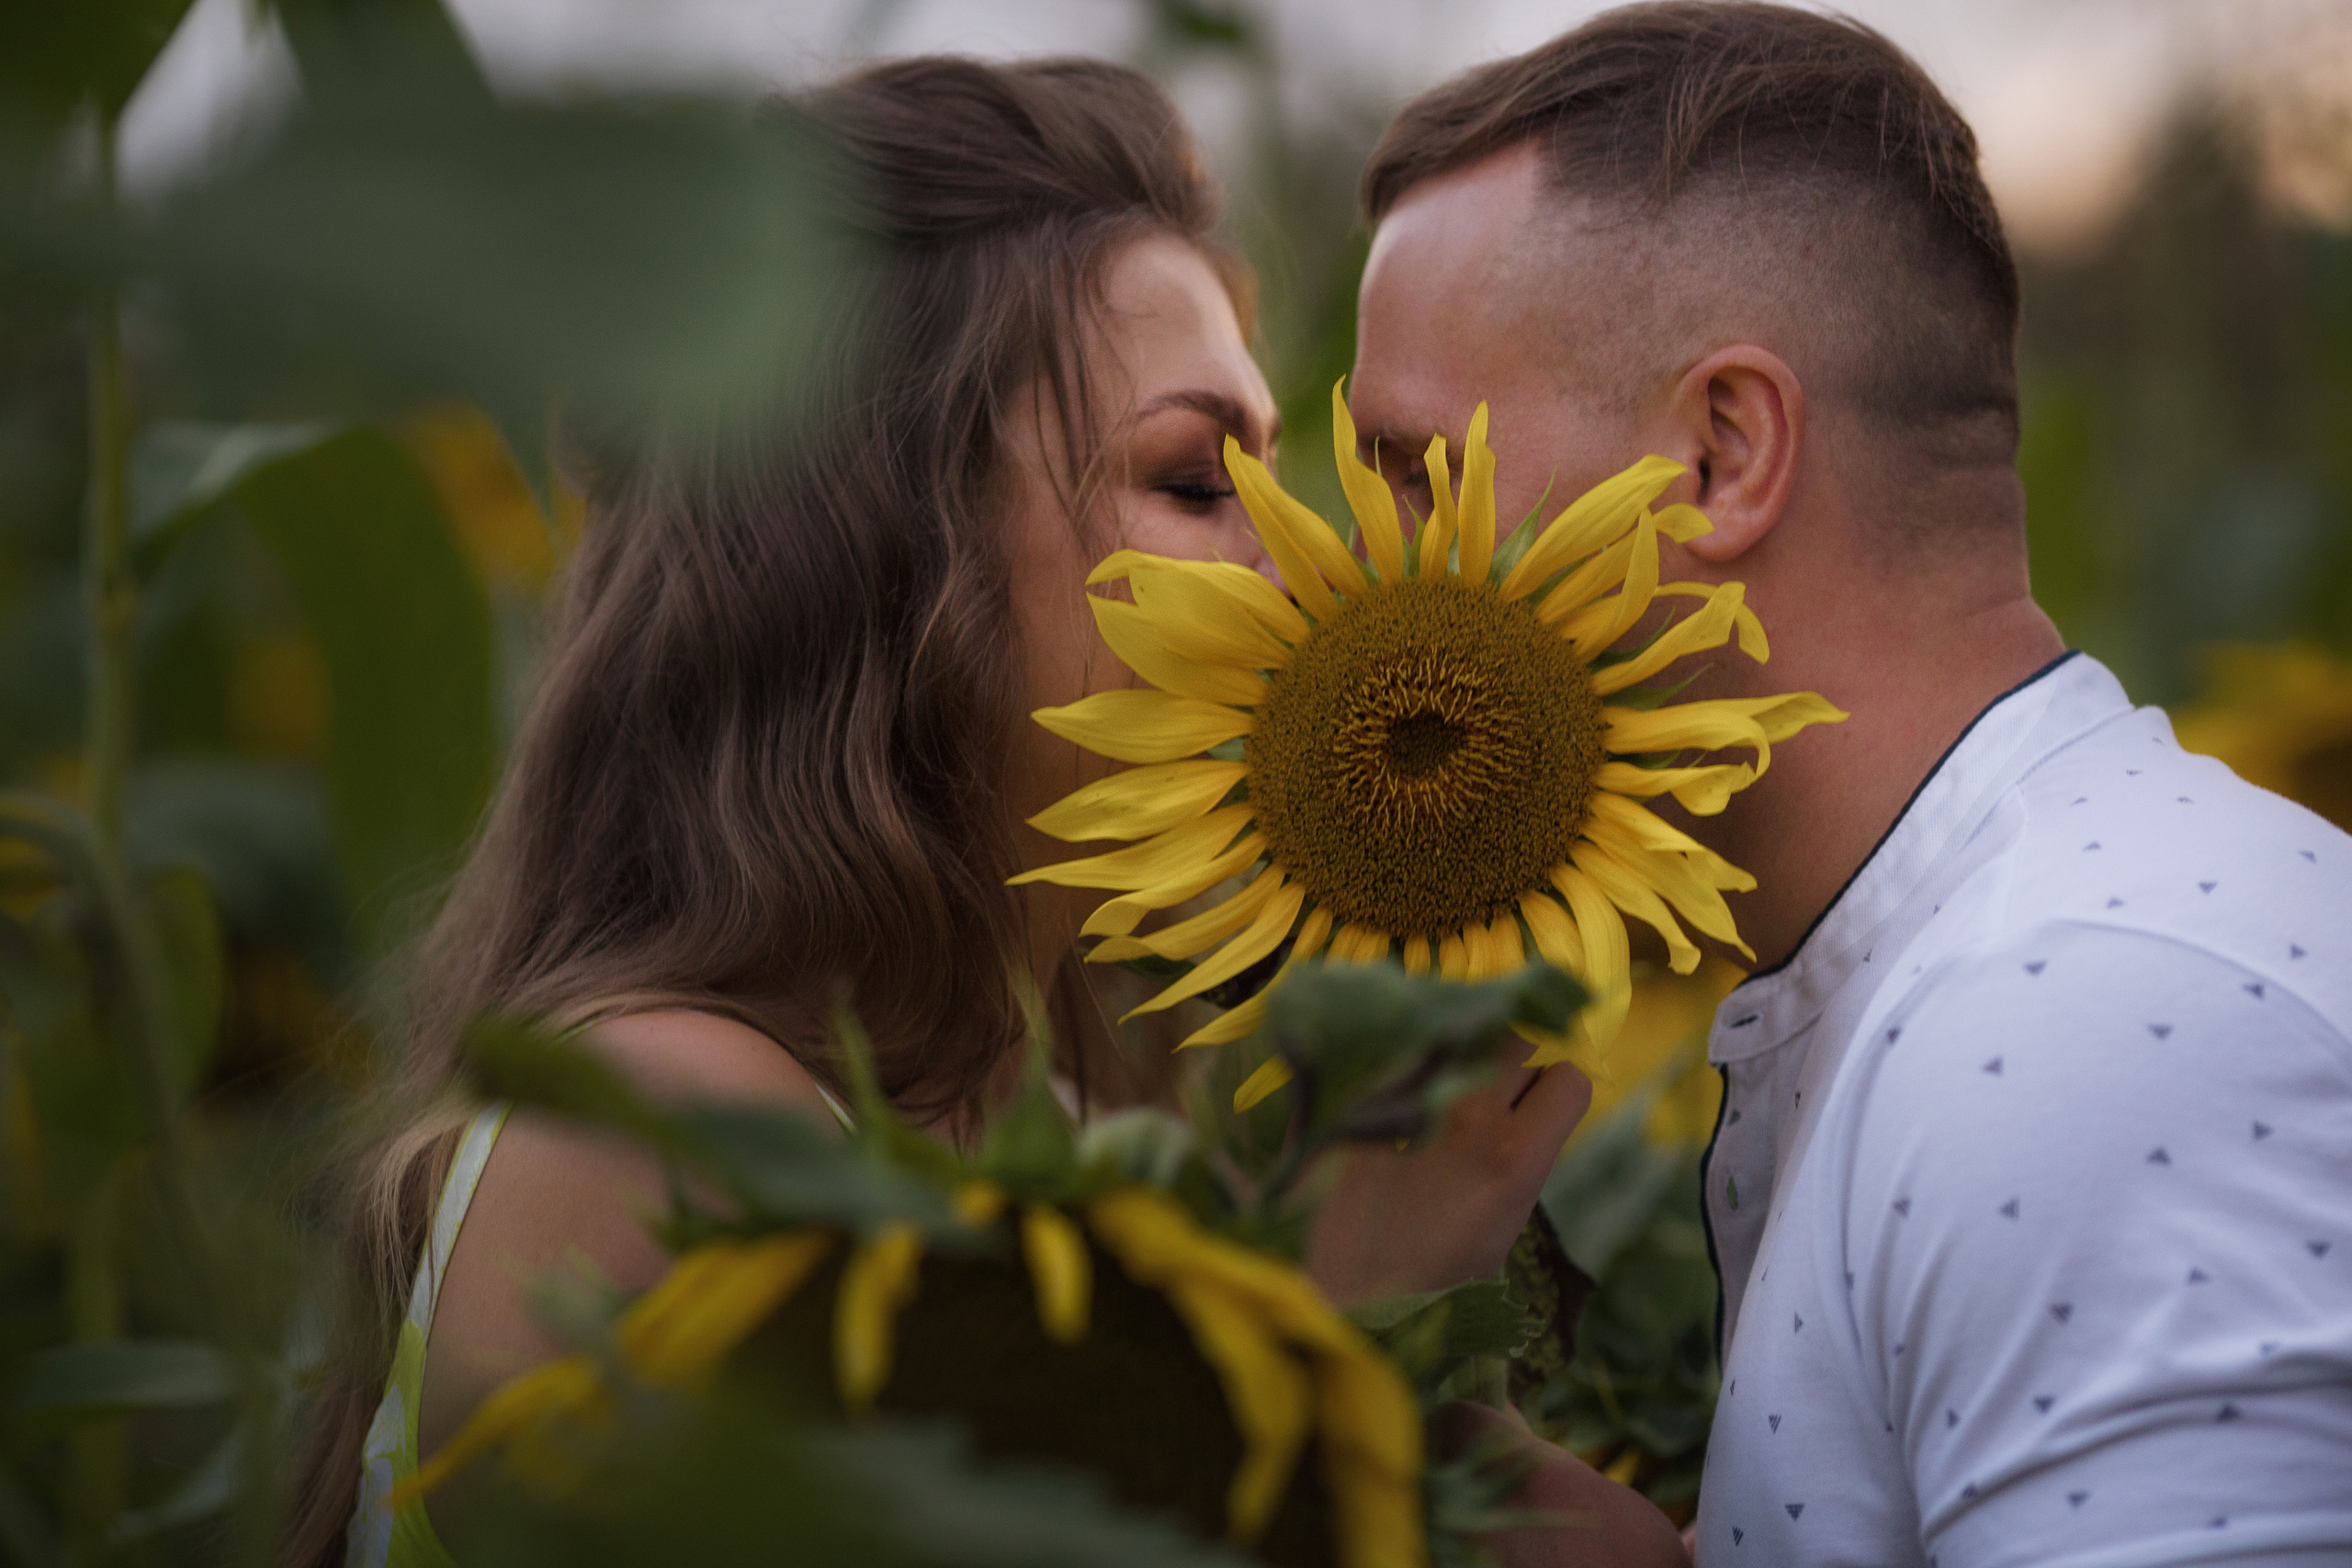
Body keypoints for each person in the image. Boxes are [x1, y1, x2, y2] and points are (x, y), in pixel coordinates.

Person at [288, 55, 1678, 1568]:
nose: (1300, 577)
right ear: (895, 550)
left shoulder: (1075, 1118)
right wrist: (1346, 1307)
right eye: (1199, 480)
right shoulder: (655, 1120)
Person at [1347, 4, 2352, 1563]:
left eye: (1414, 468)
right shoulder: (1972, 973)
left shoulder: (2078, 1022)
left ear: (1722, 456)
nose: (1365, 570)